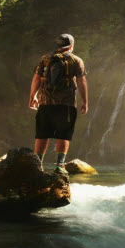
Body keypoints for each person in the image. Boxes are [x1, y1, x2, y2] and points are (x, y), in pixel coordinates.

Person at [28, 34, 88, 175]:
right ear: (71, 46)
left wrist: (33, 96)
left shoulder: (45, 59)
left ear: (58, 45)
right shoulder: (76, 60)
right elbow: (81, 81)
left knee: (42, 134)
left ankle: (38, 164)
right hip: (66, 104)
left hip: (45, 102)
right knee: (64, 134)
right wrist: (85, 101)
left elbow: (36, 78)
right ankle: (60, 165)